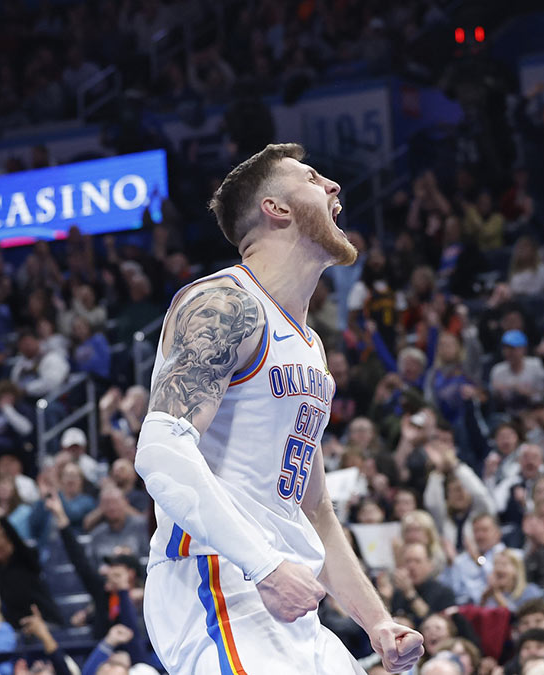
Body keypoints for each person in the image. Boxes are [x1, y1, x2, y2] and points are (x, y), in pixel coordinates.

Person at [134, 143, 423, 673]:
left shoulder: (311, 347)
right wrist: (266, 567)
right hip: (217, 583)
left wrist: (376, 621)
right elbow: (158, 450)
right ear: (277, 208)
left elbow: (313, 509)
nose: (334, 186)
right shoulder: (225, 303)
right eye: (313, 178)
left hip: (290, 598)